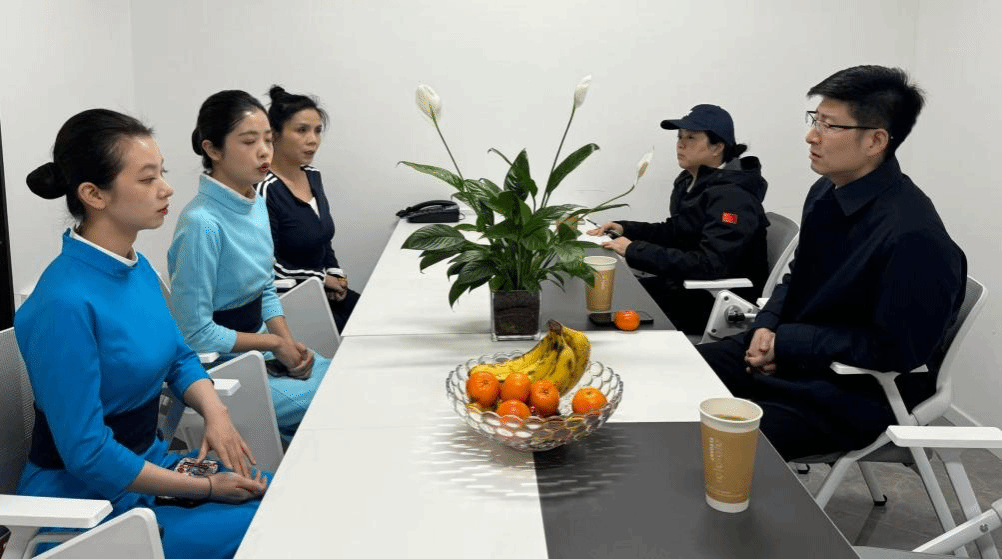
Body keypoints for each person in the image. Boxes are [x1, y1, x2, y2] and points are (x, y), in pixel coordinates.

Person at [15, 109, 267, 559]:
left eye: (162, 174)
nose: (166, 189)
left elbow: (179, 356)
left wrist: (216, 414)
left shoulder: (135, 267)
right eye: (148, 179)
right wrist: (208, 487)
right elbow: (88, 454)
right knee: (271, 525)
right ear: (94, 194)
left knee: (277, 494)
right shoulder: (63, 304)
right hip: (84, 504)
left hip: (147, 467)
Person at [696, 65, 967, 461]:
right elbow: (798, 276)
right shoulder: (826, 191)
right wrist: (767, 325)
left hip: (848, 391)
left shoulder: (914, 236)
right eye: (815, 120)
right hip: (794, 356)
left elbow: (897, 350)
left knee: (704, 444)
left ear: (875, 140)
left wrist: (788, 343)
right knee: (673, 376)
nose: (812, 135)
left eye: (830, 125)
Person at [168, 90, 329, 440]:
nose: (264, 151)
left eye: (268, 140)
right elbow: (195, 333)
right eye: (249, 141)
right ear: (213, 149)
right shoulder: (201, 223)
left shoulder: (254, 201)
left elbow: (265, 286)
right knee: (331, 403)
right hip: (217, 368)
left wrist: (287, 344)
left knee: (343, 379)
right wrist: (273, 344)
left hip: (257, 350)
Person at [587, 104, 769, 336]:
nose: (681, 144)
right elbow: (677, 232)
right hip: (686, 286)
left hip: (715, 300)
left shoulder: (733, 198)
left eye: (691, 137)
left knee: (610, 304)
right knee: (608, 292)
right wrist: (626, 229)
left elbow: (710, 264)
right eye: (679, 137)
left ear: (717, 147)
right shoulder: (692, 181)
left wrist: (634, 250)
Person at [254, 85, 359, 333]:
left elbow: (323, 239)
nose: (313, 140)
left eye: (317, 131)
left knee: (373, 320)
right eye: (301, 130)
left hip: (320, 290)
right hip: (289, 302)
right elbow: (267, 266)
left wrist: (336, 275)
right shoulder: (265, 189)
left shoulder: (313, 176)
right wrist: (322, 279)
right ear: (274, 135)